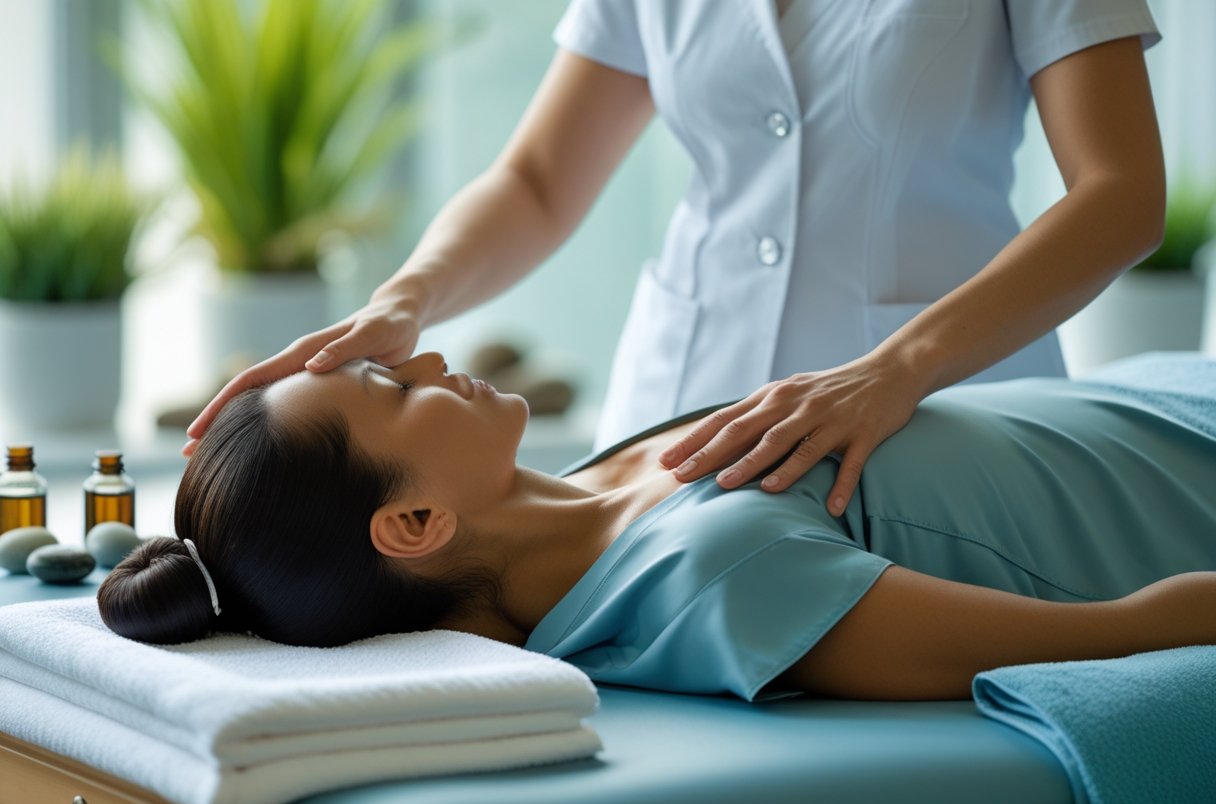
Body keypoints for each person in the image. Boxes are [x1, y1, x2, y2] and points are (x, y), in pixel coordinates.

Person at [182, 1, 1167, 520]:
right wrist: (407, 301)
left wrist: (893, 372)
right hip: (676, 414)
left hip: (935, 416)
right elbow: (536, 180)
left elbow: (1120, 195)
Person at [101, 352, 1216, 701]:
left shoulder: (595, 479)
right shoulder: (716, 587)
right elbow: (1129, 635)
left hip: (1165, 391)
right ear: (416, 523)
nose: (434, 359)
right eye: (397, 390)